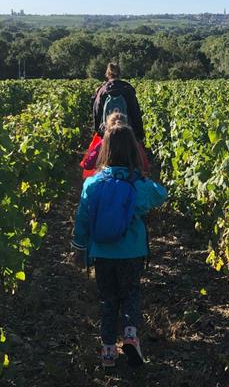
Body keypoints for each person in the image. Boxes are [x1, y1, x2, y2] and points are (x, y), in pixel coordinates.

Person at [71, 120, 167, 368]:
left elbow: (82, 217)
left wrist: (79, 245)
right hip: (132, 253)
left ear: (105, 150)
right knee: (131, 294)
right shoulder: (138, 186)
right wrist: (141, 176)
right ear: (133, 151)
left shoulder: (92, 184)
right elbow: (161, 194)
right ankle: (131, 337)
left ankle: (108, 352)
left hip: (102, 253)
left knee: (108, 300)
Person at [92, 62, 145, 142]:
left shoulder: (102, 91)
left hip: (108, 133)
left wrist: (98, 132)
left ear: (108, 74)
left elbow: (96, 112)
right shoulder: (128, 89)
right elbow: (135, 113)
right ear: (119, 73)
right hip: (127, 133)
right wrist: (139, 134)